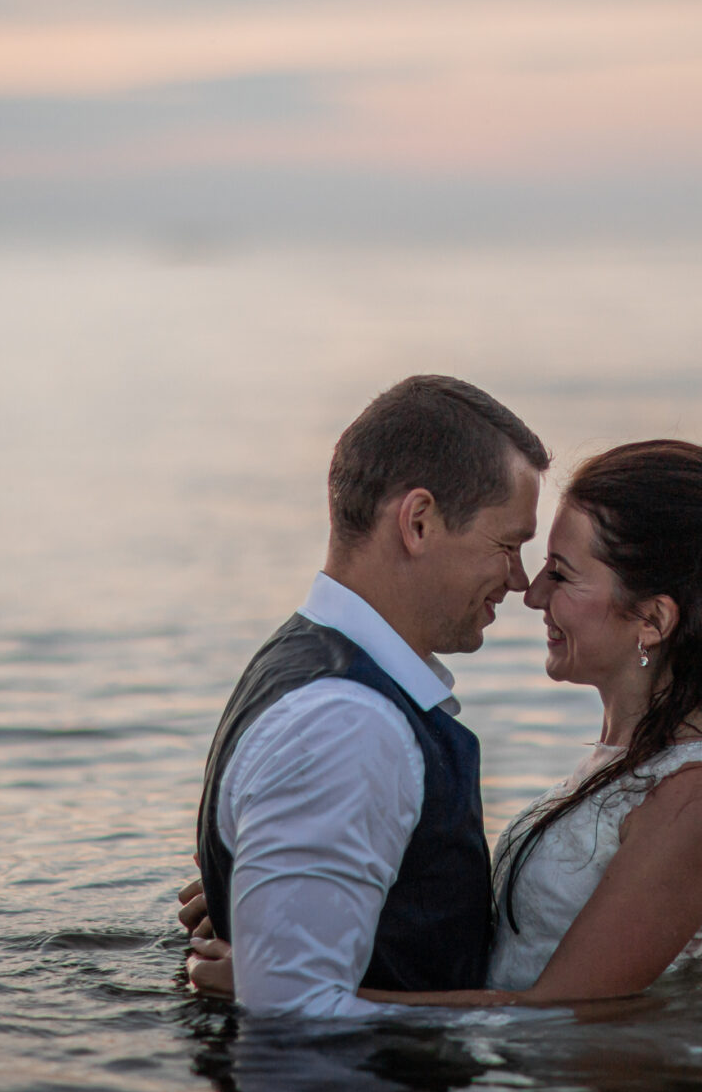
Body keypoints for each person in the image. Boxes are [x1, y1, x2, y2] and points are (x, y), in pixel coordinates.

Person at [189, 439, 702, 1008]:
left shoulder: (699, 795)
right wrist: (297, 899)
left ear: (653, 620)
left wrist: (280, 985)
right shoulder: (627, 760)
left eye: (560, 572)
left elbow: (559, 1019)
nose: (530, 594)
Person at [182, 374, 549, 1017]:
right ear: (419, 521)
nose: (519, 580)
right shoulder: (349, 723)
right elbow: (295, 1017)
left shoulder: (304, 663)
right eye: (508, 545)